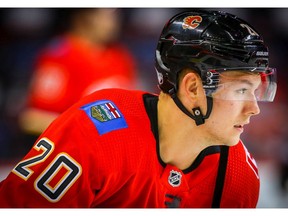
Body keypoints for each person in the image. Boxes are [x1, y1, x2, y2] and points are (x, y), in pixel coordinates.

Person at [0, 9, 277, 208]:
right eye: (241, 90)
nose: (254, 109)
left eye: (255, 91)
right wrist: (73, 134)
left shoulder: (238, 175)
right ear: (192, 88)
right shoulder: (92, 132)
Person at [18, 8, 138, 141]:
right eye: (106, 15)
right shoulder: (59, 57)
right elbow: (32, 119)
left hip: (115, 149)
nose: (114, 21)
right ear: (82, 17)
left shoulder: (120, 56)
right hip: (73, 150)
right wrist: (88, 128)